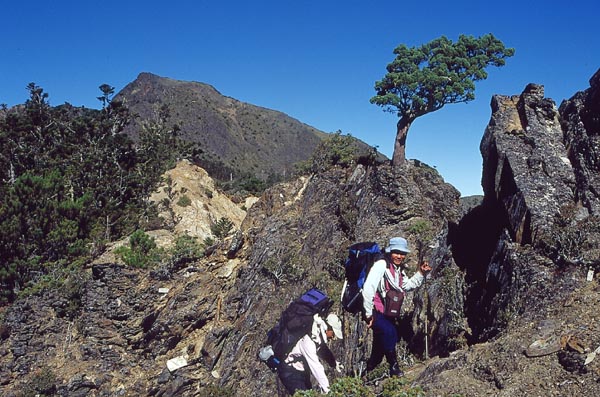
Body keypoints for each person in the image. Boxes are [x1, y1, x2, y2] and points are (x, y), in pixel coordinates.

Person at [362, 237, 431, 377]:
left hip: (387, 313)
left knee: (379, 348)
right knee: (390, 332)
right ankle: (394, 368)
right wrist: (368, 313)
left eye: (402, 253)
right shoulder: (381, 265)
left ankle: (366, 374)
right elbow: (368, 288)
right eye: (396, 252)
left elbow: (406, 286)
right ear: (390, 251)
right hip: (376, 310)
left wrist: (421, 273)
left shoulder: (398, 269)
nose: (400, 256)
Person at [277, 313, 344, 395]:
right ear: (328, 328)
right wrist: (327, 390)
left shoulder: (316, 333)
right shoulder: (308, 342)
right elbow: (316, 367)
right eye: (333, 334)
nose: (334, 338)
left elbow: (323, 350)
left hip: (300, 370)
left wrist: (334, 363)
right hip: (290, 371)